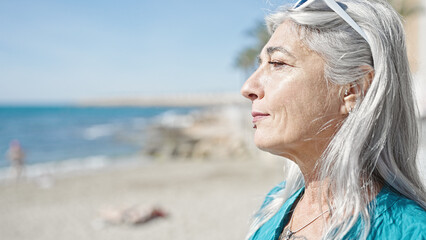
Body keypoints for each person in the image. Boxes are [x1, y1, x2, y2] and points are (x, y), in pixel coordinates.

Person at [240, 0, 426, 239]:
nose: (248, 87)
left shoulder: (409, 232)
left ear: (352, 89)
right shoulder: (274, 206)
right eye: (261, 64)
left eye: (277, 63)